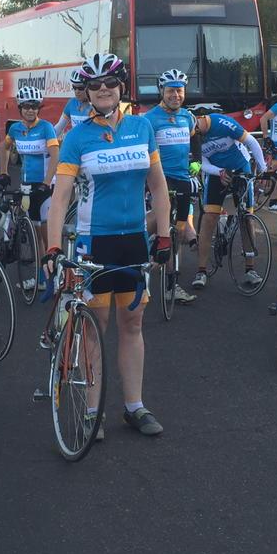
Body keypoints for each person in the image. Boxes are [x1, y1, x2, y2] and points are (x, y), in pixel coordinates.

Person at [43, 53, 171, 438]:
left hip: (133, 241)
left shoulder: (142, 128)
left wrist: (163, 234)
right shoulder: (77, 137)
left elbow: (158, 185)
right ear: (87, 90)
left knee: (132, 324)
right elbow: (61, 198)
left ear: (121, 88)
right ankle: (91, 411)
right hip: (92, 242)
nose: (102, 90)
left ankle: (135, 406)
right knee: (95, 327)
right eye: (95, 85)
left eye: (110, 84)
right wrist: (52, 249)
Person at [191, 105, 268, 290]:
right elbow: (201, 162)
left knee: (246, 219)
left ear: (201, 119)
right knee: (209, 218)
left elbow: (251, 141)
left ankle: (250, 269)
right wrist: (219, 172)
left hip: (241, 167)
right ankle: (201, 270)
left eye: (195, 128)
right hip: (217, 173)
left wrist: (263, 169)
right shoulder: (192, 137)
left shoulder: (221, 123)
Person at [143, 68, 198, 305]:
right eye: (171, 91)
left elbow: (194, 139)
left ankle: (171, 285)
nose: (176, 95)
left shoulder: (187, 117)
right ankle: (135, 259)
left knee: (178, 232)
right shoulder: (149, 119)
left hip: (183, 180)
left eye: (179, 90)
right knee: (155, 223)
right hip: (159, 181)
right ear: (161, 92)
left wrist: (195, 163)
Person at [0, 85, 59, 291]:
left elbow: (55, 155)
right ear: (20, 108)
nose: (30, 110)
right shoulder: (15, 129)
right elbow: (5, 148)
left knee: (46, 234)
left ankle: (54, 277)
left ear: (38, 108)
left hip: (45, 185)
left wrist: (47, 182)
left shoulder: (46, 127)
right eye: (26, 107)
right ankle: (42, 278)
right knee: (33, 233)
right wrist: (4, 172)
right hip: (26, 185)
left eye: (34, 106)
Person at [54, 69, 93, 135]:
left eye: (81, 88)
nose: (77, 91)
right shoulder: (72, 103)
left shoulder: (97, 105)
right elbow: (59, 127)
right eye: (74, 87)